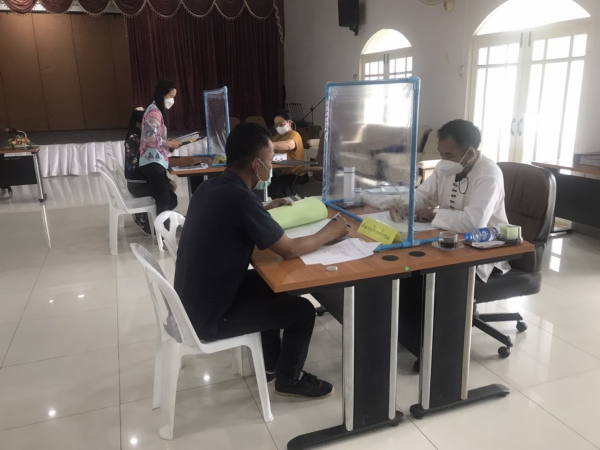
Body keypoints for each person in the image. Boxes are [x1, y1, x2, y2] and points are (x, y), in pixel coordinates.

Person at [174, 122, 349, 399]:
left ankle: (271, 364)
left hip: (194, 300)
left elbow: (232, 217)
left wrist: (263, 207)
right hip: (210, 315)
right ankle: (289, 379)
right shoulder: (242, 200)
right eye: (270, 161)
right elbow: (288, 250)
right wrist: (329, 233)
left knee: (271, 286)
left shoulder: (210, 188)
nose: (271, 167)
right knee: (303, 312)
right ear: (257, 165)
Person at [414, 119, 510, 283]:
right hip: (449, 242)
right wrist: (405, 206)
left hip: (482, 251)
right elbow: (424, 195)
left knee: (426, 278)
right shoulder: (446, 167)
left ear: (470, 154)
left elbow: (472, 223)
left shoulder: (488, 175)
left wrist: (434, 213)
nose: (443, 160)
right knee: (413, 267)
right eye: (441, 154)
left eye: (449, 155)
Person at [136, 80, 181, 234]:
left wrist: (169, 143)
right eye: (171, 96)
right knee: (163, 200)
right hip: (152, 162)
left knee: (166, 198)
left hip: (156, 160)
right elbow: (150, 138)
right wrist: (167, 143)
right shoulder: (154, 112)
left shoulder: (156, 110)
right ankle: (163, 235)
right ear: (163, 95)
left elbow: (156, 136)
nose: (172, 100)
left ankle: (163, 232)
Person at [123, 107, 154, 234]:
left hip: (139, 181)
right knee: (166, 192)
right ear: (138, 124)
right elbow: (136, 165)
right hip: (137, 184)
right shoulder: (134, 139)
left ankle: (154, 217)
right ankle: (145, 218)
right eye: (146, 122)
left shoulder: (139, 136)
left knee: (167, 186)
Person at [269, 110, 307, 198]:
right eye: (276, 125)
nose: (278, 127)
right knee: (267, 182)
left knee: (277, 187)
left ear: (290, 123)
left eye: (281, 124)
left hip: (296, 174)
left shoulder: (294, 134)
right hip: (282, 173)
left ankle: (283, 204)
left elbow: (288, 145)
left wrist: (267, 144)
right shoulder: (277, 137)